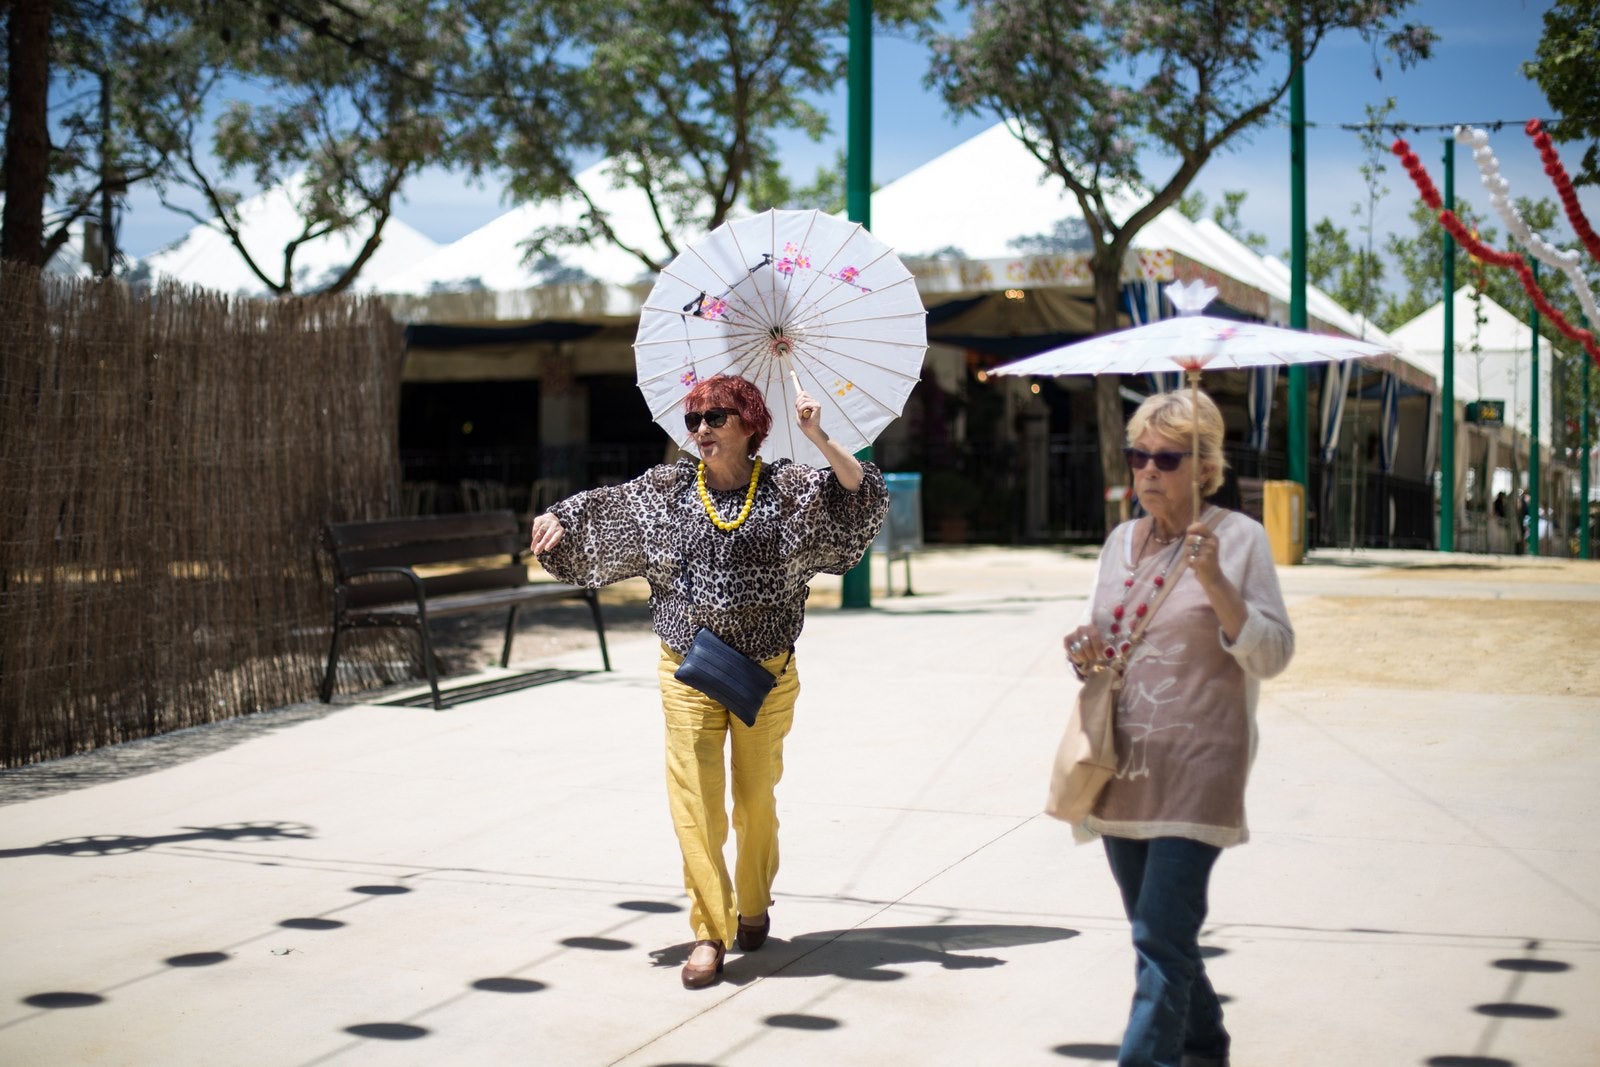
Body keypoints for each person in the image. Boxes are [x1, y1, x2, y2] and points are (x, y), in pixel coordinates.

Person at [528, 373, 888, 989]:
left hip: (766, 672)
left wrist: (818, 435)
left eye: (715, 417)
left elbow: (860, 496)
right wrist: (558, 517)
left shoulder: (788, 488)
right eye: (694, 420)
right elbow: (607, 508)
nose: (700, 430)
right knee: (694, 802)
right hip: (688, 666)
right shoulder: (668, 490)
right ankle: (710, 930)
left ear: (751, 424)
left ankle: (754, 901)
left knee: (756, 800)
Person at [1062, 389, 1294, 1067]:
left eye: (1167, 458)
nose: (1148, 471)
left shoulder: (1239, 540)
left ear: (1205, 467)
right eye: (1139, 456)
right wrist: (1084, 652)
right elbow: (1104, 645)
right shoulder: (1119, 543)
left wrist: (1216, 581)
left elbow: (1272, 655)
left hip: (1201, 766)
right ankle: (1205, 1042)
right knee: (1159, 933)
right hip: (1122, 766)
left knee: (1160, 938)